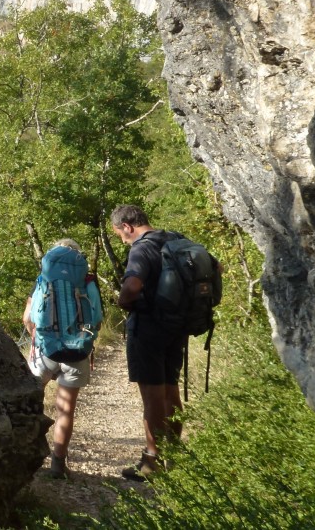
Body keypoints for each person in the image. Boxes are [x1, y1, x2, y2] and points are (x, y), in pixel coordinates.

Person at [110, 204, 187, 481]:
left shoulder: (141, 248)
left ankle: (151, 462)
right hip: (176, 327)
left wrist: (123, 301)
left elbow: (131, 288)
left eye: (120, 233)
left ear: (128, 226)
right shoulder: (177, 239)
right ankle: (174, 456)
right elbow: (217, 266)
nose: (122, 239)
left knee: (152, 398)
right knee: (171, 391)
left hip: (149, 331)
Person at [22, 238, 94, 479]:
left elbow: (27, 318)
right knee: (66, 412)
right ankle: (57, 465)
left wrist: (39, 337)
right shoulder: (87, 281)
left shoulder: (43, 280)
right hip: (76, 352)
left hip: (44, 352)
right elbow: (98, 318)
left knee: (30, 404)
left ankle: (25, 458)